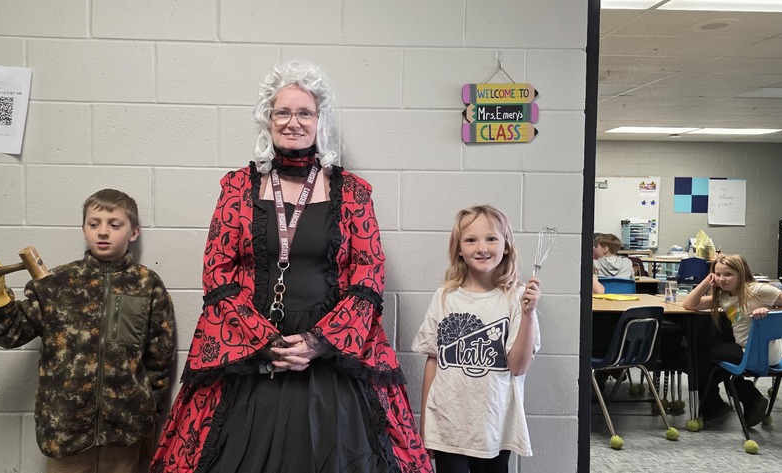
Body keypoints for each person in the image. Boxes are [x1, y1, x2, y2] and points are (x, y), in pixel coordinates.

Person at [150, 60, 431, 473]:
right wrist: (265, 341)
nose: (293, 122)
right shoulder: (237, 187)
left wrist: (318, 342)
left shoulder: (353, 192)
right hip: (252, 349)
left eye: (305, 113)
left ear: (320, 121)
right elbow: (217, 274)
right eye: (282, 112)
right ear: (268, 119)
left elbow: (368, 276)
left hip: (332, 355)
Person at [0, 189, 176, 473]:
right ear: (83, 229)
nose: (103, 232)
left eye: (115, 224)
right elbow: (10, 333)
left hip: (125, 431)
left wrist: (149, 415)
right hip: (65, 429)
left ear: (134, 233)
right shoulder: (56, 284)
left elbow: (160, 357)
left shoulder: (146, 285)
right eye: (94, 223)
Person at [411, 205, 541, 473]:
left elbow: (517, 367)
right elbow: (433, 361)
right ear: (459, 249)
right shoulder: (444, 296)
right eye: (471, 240)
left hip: (494, 428)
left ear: (506, 246)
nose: (482, 248)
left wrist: (529, 314)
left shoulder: (517, 298)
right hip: (447, 427)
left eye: (491, 238)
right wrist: (426, 422)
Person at [680, 253, 782, 426]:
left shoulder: (758, 290)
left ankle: (722, 403)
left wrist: (769, 312)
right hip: (746, 349)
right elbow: (689, 304)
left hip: (762, 352)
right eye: (718, 274)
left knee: (700, 353)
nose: (722, 279)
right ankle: (746, 399)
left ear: (742, 274)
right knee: (714, 364)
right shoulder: (724, 296)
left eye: (728, 274)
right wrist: (706, 281)